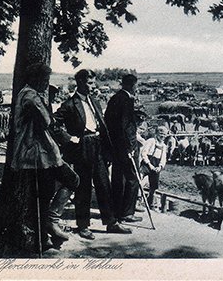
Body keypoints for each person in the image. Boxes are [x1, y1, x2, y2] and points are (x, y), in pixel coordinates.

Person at [50, 69, 131, 241]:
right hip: (82, 147)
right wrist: (69, 139)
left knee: (104, 185)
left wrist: (108, 150)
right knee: (83, 188)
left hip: (98, 146)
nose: (93, 86)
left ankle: (111, 222)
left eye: (94, 82)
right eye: (89, 82)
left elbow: (103, 127)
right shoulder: (70, 105)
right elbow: (52, 123)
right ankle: (83, 226)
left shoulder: (95, 101)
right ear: (79, 82)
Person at [10, 63, 80, 252]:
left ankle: (50, 223)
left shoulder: (33, 94)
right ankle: (44, 234)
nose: (46, 84)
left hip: (44, 152)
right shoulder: (30, 95)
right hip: (35, 153)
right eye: (45, 80)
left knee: (59, 186)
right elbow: (47, 120)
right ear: (37, 79)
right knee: (47, 193)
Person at [105, 74, 143, 223]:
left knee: (117, 178)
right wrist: (130, 147)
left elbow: (108, 122)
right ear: (132, 85)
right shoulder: (127, 100)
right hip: (126, 147)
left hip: (115, 146)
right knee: (133, 178)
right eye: (136, 85)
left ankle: (116, 210)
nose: (136, 88)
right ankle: (127, 213)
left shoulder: (114, 99)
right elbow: (125, 125)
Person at [139, 126, 169, 208]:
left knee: (154, 186)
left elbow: (163, 158)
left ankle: (150, 203)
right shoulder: (151, 141)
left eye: (164, 135)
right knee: (139, 181)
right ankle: (136, 201)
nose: (162, 136)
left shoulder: (164, 146)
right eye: (161, 134)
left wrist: (160, 167)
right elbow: (144, 153)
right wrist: (149, 164)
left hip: (156, 166)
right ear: (156, 133)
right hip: (147, 164)